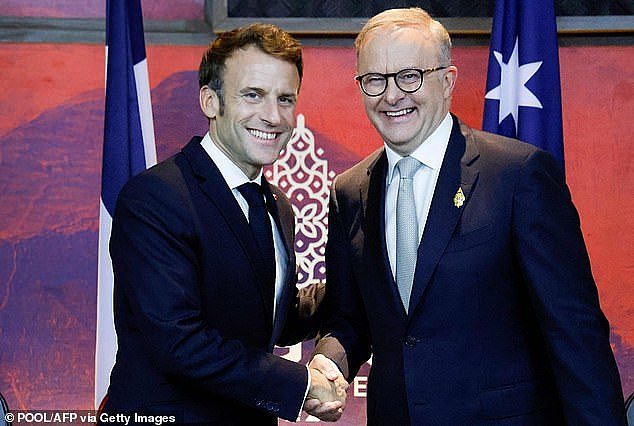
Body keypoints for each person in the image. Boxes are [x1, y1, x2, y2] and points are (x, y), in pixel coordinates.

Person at [310, 7, 627, 425]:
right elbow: (349, 318)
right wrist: (328, 365)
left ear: (447, 81)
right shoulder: (349, 191)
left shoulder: (518, 175)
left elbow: (575, 335)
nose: (391, 96)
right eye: (374, 80)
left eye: (410, 76)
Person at [102, 23, 346, 424]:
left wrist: (359, 283)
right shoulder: (155, 198)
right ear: (210, 102)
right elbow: (179, 341)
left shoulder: (277, 206)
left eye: (285, 99)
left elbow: (265, 320)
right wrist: (300, 384)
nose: (272, 116)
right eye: (253, 95)